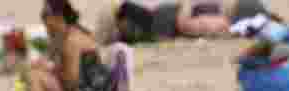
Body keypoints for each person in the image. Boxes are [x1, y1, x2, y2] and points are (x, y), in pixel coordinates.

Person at [23, 0, 111, 91]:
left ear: (58, 16)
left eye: (45, 14)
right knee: (35, 73)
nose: (43, 19)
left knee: (35, 76)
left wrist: (51, 70)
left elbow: (71, 84)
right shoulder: (63, 36)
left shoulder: (72, 40)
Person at [97, 0, 273, 45]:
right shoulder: (229, 23)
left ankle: (117, 25)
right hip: (166, 18)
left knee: (128, 13)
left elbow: (183, 25)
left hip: (166, 22)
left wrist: (185, 6)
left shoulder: (227, 25)